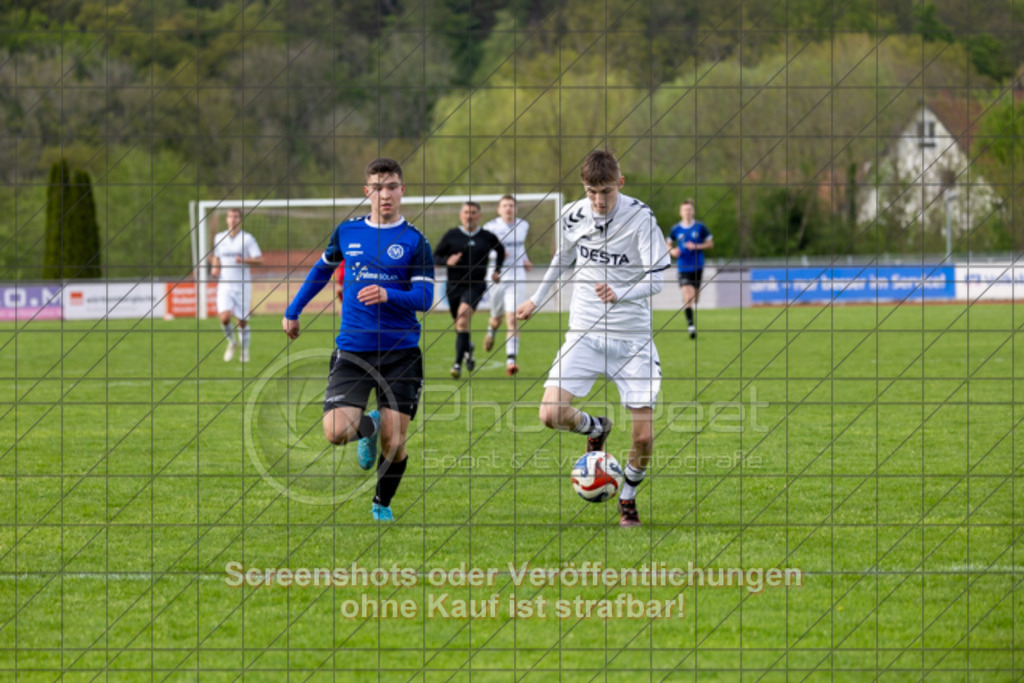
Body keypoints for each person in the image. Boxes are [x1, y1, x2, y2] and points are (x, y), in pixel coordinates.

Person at [517, 149, 671, 528]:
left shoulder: (641, 218)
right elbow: (561, 260)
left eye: (605, 191)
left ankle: (628, 499)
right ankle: (595, 427)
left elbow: (658, 278)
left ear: (620, 183)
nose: (599, 201)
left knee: (644, 437)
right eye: (591, 192)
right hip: (584, 333)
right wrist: (537, 299)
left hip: (632, 340)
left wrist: (622, 293)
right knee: (549, 414)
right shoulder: (572, 214)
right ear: (583, 188)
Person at [281, 158, 434, 522]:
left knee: (394, 443)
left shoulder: (415, 242)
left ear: (402, 190)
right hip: (353, 350)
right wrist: (293, 309)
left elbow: (425, 299)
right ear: (367, 191)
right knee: (335, 433)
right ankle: (369, 424)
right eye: (378, 188)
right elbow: (322, 270)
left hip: (401, 353)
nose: (386, 195)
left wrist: (388, 295)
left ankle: (381, 503)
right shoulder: (346, 232)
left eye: (392, 186)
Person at [433, 201, 505, 379]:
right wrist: (446, 261)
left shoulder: (487, 236)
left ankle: (457, 364)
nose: (469, 215)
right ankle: (468, 349)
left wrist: (497, 270)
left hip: (476, 285)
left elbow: (501, 251)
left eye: (473, 212)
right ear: (461, 215)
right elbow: (435, 256)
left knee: (463, 319)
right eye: (466, 212)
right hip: (453, 286)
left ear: (479, 216)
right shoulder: (452, 235)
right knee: (459, 325)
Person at [482, 195, 532, 375]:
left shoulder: (523, 225)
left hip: (517, 277)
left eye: (511, 206)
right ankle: (491, 331)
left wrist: (525, 259)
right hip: (497, 278)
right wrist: (498, 254)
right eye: (505, 206)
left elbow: (520, 245)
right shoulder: (490, 228)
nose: (508, 209)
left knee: (512, 319)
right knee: (496, 319)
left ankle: (511, 361)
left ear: (515, 209)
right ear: (499, 209)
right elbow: (483, 250)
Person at [211, 208, 263, 363]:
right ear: (227, 219)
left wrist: (244, 260)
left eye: (236, 217)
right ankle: (232, 342)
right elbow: (216, 256)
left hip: (242, 286)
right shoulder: (219, 237)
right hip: (225, 285)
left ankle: (245, 351)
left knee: (241, 321)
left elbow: (259, 259)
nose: (233, 219)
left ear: (240, 220)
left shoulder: (247, 239)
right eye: (230, 217)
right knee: (225, 318)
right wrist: (215, 267)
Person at [666, 199, 713, 339]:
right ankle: (691, 326)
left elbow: (710, 243)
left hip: (698, 266)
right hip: (683, 266)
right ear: (680, 212)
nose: (687, 212)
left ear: (693, 211)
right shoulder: (676, 229)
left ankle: (689, 303)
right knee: (688, 295)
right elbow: (668, 242)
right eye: (685, 210)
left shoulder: (700, 227)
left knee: (695, 299)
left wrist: (697, 246)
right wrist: (672, 251)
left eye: (689, 210)